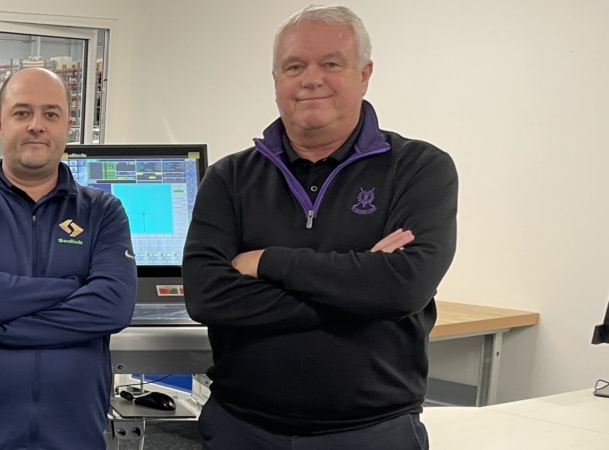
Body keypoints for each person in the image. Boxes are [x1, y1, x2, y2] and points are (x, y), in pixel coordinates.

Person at [183, 5, 458, 449]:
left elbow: (404, 288)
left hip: (374, 433)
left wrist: (268, 261)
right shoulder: (229, 178)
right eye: (295, 66)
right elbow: (206, 296)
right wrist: (362, 287)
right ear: (276, 80)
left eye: (331, 63)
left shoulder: (418, 169)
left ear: (364, 74)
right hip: (241, 429)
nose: (311, 79)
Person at [0, 67, 137, 450]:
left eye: (50, 114)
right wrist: (75, 287)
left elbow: (114, 306)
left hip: (74, 437)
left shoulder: (103, 212)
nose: (36, 125)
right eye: (22, 112)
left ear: (67, 126)